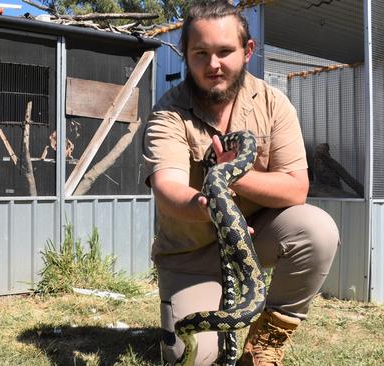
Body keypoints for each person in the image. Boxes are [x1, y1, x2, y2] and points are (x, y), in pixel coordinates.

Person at [142, 1, 340, 365]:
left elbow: (296, 188)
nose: (213, 64)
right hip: (191, 253)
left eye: (224, 52)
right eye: (200, 53)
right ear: (185, 54)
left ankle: (264, 341)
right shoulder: (168, 113)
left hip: (254, 236)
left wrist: (235, 175)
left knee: (317, 229)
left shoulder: (273, 103)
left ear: (247, 51)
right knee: (193, 355)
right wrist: (214, 208)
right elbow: (168, 192)